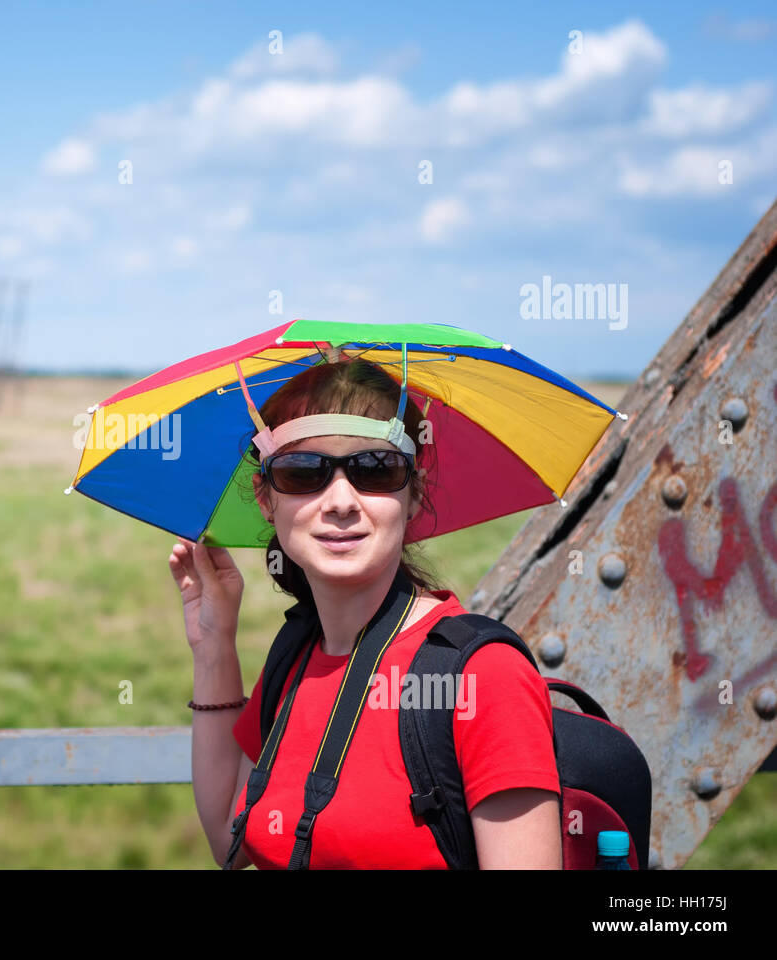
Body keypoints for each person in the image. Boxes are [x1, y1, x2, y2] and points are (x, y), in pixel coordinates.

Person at [171, 356, 562, 869]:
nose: (340, 501)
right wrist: (215, 645)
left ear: (414, 493)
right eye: (301, 472)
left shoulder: (483, 677)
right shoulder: (296, 656)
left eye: (375, 470)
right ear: (266, 500)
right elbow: (230, 832)